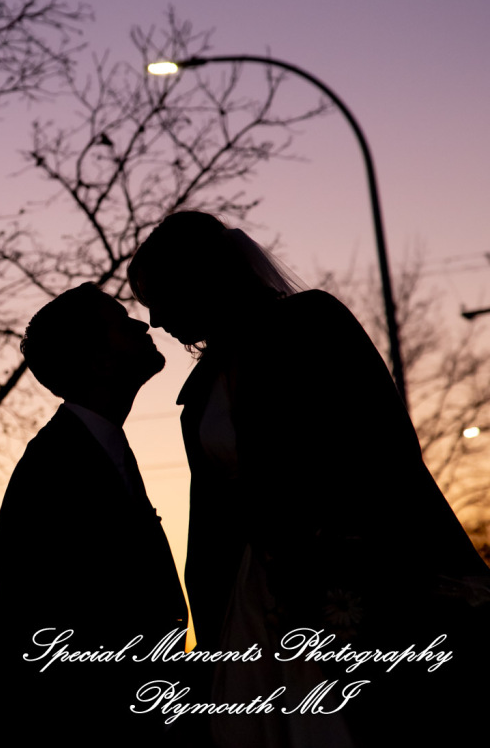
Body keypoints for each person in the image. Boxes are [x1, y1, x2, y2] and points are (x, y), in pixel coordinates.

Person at [128, 210, 490, 746]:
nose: (155, 319)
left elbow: (383, 445)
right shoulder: (199, 393)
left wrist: (331, 546)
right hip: (249, 596)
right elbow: (210, 516)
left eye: (158, 296)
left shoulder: (313, 324)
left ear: (197, 280)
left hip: (348, 577)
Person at [0, 283, 190, 745]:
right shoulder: (53, 469)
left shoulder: (94, 449)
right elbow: (28, 621)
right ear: (99, 361)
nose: (142, 323)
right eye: (121, 322)